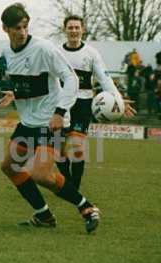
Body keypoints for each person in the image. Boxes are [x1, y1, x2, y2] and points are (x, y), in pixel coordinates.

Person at [0, 3, 100, 233]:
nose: (22, 32)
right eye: (16, 28)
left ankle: (88, 208)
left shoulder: (44, 48)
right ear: (5, 29)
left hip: (50, 122)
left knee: (40, 174)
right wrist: (16, 92)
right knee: (10, 167)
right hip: (28, 123)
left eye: (25, 26)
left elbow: (71, 78)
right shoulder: (6, 53)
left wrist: (60, 112)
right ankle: (44, 215)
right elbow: (32, 82)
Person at [58, 15, 136, 190]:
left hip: (83, 104)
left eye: (77, 27)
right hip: (61, 105)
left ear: (83, 29)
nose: (73, 31)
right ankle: (66, 180)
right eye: (70, 27)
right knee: (59, 149)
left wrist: (118, 101)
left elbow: (105, 79)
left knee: (77, 146)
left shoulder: (91, 54)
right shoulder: (57, 53)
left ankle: (74, 188)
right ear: (65, 30)